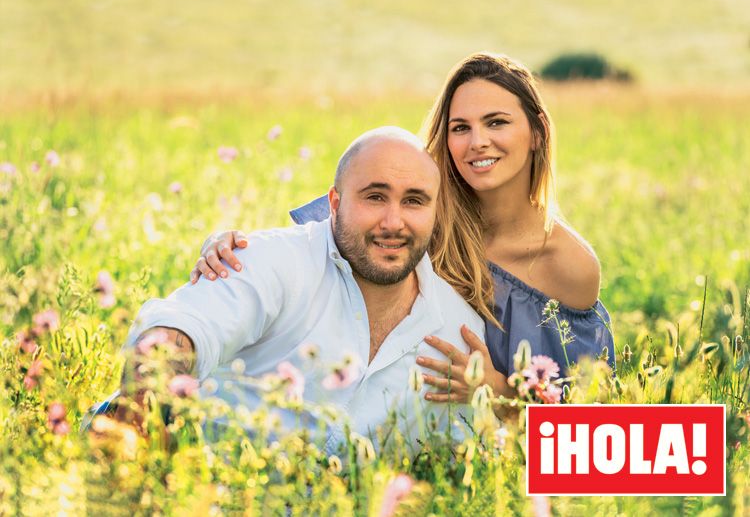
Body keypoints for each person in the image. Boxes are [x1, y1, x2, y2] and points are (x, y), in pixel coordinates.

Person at [191, 53, 614, 402]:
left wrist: (494, 387)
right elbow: (327, 236)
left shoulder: (569, 266)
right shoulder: (419, 207)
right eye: (460, 127)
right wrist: (233, 244)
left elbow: (582, 426)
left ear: (537, 132)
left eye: (497, 122)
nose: (477, 142)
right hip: (382, 417)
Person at [97, 126, 489, 451]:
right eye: (375, 197)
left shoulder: (460, 335)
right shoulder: (270, 260)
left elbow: (521, 461)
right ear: (333, 202)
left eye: (414, 202)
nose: (393, 221)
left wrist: (507, 400)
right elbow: (179, 330)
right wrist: (138, 424)